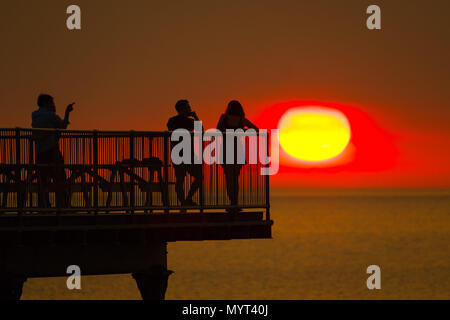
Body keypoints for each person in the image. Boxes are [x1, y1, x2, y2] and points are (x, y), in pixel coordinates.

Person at [31, 94, 74, 208]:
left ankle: (44, 206)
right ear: (46, 103)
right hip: (52, 151)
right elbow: (62, 126)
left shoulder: (35, 116)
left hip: (40, 152)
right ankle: (63, 205)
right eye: (52, 103)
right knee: (60, 179)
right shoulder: (50, 115)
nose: (53, 105)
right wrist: (67, 112)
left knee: (43, 180)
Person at [217, 100, 258, 211]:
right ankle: (235, 203)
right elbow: (255, 129)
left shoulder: (224, 118)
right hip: (237, 150)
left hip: (225, 149)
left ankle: (232, 203)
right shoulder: (241, 120)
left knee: (229, 178)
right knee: (235, 179)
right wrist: (242, 131)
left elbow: (217, 130)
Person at [167, 99, 202, 206]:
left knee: (181, 179)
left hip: (178, 153)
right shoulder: (188, 121)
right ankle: (186, 200)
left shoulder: (172, 120)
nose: (190, 109)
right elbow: (201, 130)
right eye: (188, 107)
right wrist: (195, 117)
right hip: (185, 153)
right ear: (182, 109)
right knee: (196, 177)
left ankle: (184, 202)